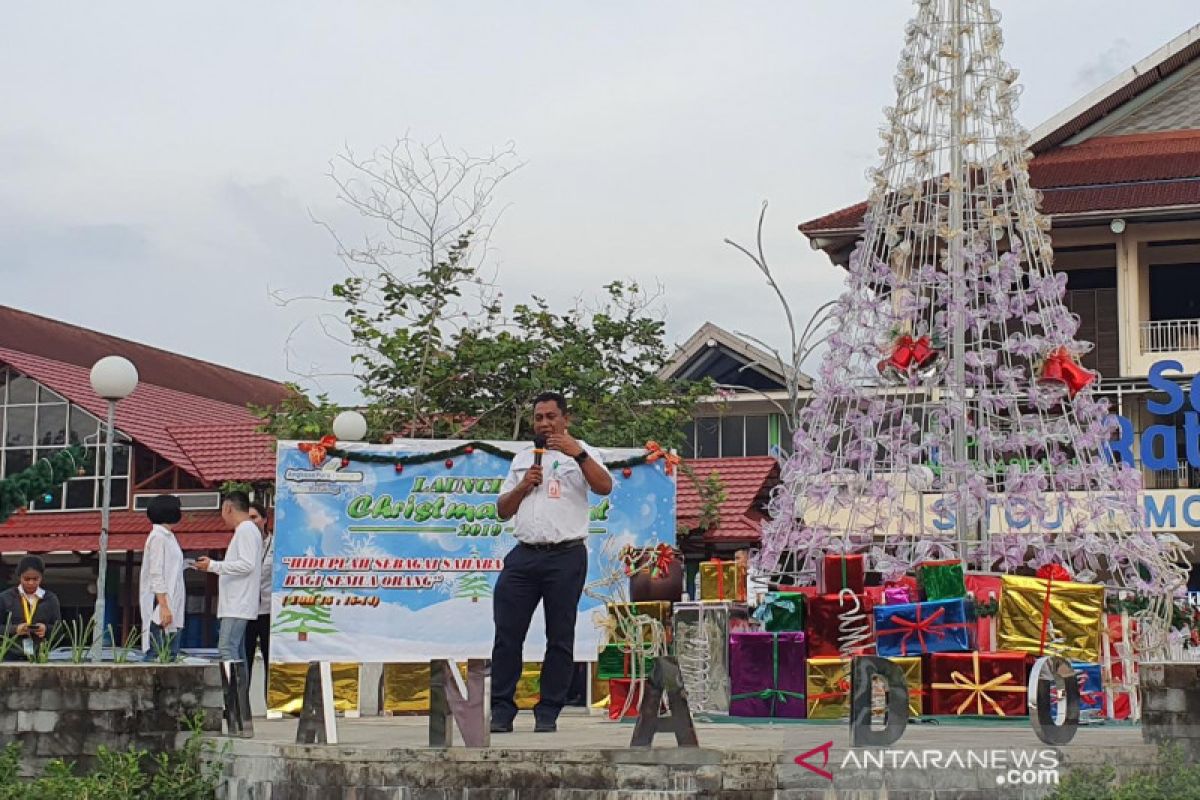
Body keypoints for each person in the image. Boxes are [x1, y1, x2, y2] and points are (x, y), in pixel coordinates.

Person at [489, 391, 612, 733]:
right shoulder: (524, 458)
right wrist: (523, 486)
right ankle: (501, 710)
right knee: (507, 634)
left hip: (566, 554)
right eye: (538, 417)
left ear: (565, 419)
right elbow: (502, 510)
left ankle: (548, 712)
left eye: (550, 417)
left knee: (560, 636)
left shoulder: (583, 452)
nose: (544, 423)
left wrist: (579, 453)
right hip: (524, 555)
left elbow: (604, 487)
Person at [196, 492, 263, 670]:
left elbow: (246, 565)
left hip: (237, 603)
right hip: (237, 602)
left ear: (228, 508)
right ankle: (240, 696)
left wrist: (213, 566)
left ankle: (234, 695)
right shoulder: (247, 530)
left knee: (226, 649)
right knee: (236, 651)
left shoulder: (246, 530)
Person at [140, 494, 187, 661]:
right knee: (159, 656)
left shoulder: (169, 536)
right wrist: (164, 606)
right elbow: (156, 573)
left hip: (172, 602)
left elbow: (172, 567)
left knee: (170, 656)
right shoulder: (158, 537)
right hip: (163, 604)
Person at [1, 556, 62, 661]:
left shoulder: (50, 599)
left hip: (39, 654)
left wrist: (45, 629)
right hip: (10, 655)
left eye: (35, 579)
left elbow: (59, 628)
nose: (31, 583)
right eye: (27, 579)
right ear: (19, 577)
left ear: (41, 577)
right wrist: (15, 629)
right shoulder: (5, 597)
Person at [243, 500, 273, 689]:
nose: (251, 522)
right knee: (245, 657)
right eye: (247, 519)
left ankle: (270, 703)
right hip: (246, 610)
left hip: (270, 610)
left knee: (271, 657)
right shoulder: (241, 544)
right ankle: (242, 706)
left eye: (254, 517)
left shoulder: (277, 544)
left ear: (264, 520)